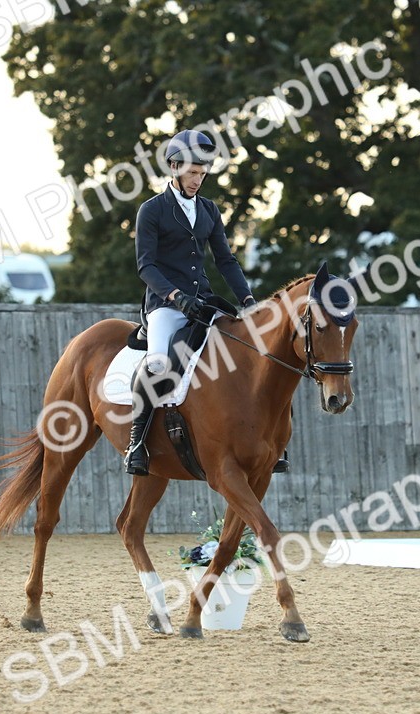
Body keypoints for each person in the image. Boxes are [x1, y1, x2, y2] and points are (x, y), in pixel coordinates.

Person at [125, 129, 290, 475]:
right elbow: (146, 266)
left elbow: (226, 261)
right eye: (192, 172)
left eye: (203, 173)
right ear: (174, 167)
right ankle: (136, 443)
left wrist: (247, 300)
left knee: (258, 353)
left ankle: (277, 444)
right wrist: (175, 296)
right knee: (157, 364)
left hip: (204, 303)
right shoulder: (152, 210)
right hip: (165, 305)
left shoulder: (209, 210)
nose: (198, 179)